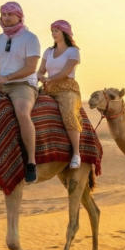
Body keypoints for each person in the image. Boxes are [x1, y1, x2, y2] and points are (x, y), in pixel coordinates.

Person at [0, 2, 41, 182]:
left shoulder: (30, 38)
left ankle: (31, 162)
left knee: (22, 113)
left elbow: (31, 68)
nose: (5, 18)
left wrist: (7, 78)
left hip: (23, 84)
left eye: (9, 14)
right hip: (1, 84)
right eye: (3, 14)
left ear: (19, 16)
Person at [38, 20, 82, 169]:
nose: (53, 33)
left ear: (64, 32)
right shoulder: (48, 51)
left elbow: (65, 73)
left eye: (56, 30)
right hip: (48, 88)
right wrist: (37, 77)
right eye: (52, 31)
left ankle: (76, 154)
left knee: (69, 111)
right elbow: (41, 70)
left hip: (67, 88)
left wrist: (48, 78)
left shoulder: (73, 51)